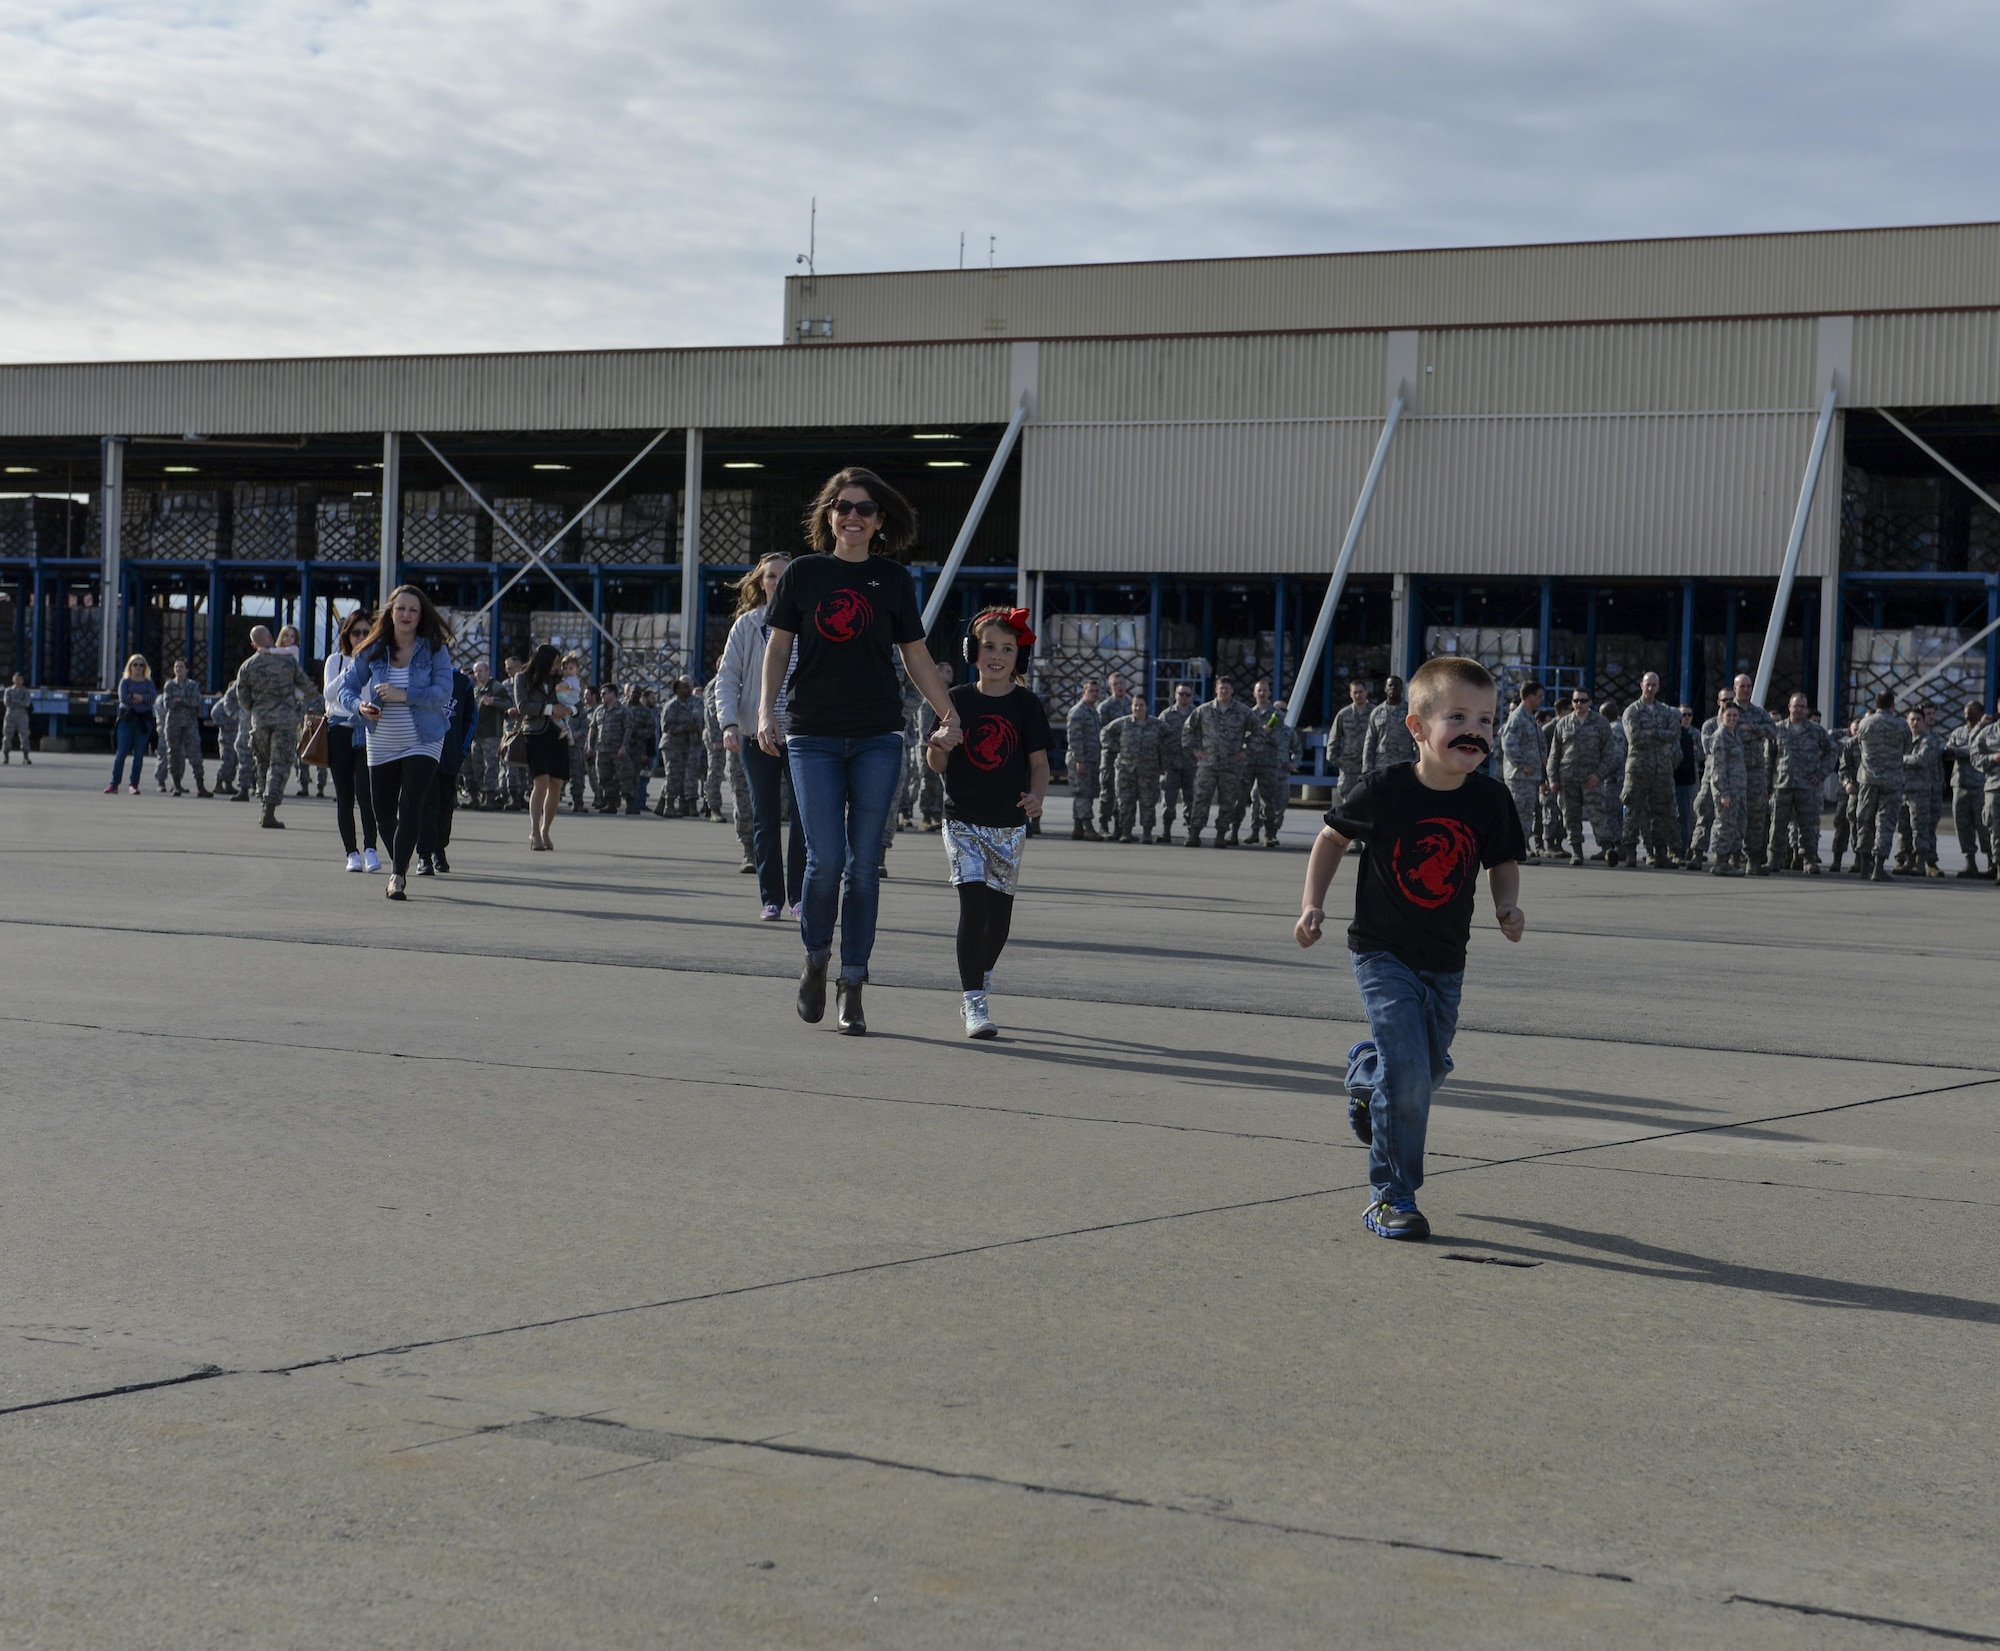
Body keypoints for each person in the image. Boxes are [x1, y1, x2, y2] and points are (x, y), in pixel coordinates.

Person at [1294, 655, 1525, 1242]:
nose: (1476, 730)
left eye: (1487, 719)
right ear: (1418, 728)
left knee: (1429, 1068)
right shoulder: (1384, 790)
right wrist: (1312, 904)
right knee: (1411, 1073)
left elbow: (1502, 861)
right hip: (1382, 952)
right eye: (1458, 717)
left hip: (1445, 960)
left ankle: (1366, 1079)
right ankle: (1392, 1197)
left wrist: (1507, 906)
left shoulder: (1491, 800)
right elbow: (1330, 838)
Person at [758, 466, 958, 1036]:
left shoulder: (893, 579)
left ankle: (854, 982)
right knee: (824, 864)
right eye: (842, 506)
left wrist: (949, 710)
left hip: (877, 735)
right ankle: (816, 959)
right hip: (813, 734)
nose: (852, 516)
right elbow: (778, 649)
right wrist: (764, 710)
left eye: (864, 509)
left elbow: (916, 656)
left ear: (879, 521)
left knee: (864, 868)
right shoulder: (803, 574)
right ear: (828, 515)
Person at [926, 607, 1050, 1039]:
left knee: (998, 922)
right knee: (973, 908)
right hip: (962, 820)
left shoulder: (1027, 704)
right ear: (973, 652)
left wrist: (1037, 797)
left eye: (1007, 648)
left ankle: (983, 972)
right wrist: (939, 743)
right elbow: (937, 761)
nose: (997, 655)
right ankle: (974, 1001)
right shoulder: (955, 700)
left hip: (1009, 825)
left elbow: (1039, 764)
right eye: (989, 647)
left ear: (1019, 657)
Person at [332, 585, 457, 899]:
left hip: (424, 738)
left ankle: (397, 875)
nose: (406, 615)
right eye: (400, 608)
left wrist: (405, 695)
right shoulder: (374, 648)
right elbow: (343, 689)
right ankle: (400, 858)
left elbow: (443, 692)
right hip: (381, 737)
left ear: (421, 615)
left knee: (410, 806)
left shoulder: (434, 648)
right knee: (383, 812)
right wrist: (359, 707)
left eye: (413, 610)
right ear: (390, 612)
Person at [717, 553, 807, 919]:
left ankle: (800, 897)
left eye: (784, 576)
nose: (777, 582)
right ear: (760, 582)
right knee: (765, 816)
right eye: (770, 576)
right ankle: (771, 898)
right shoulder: (747, 626)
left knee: (805, 818)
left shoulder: (810, 624)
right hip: (757, 736)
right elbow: (727, 677)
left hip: (802, 735)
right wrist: (729, 723)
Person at [231, 626, 314, 828]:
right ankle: (270, 808)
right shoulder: (288, 661)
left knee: (262, 762)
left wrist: (255, 708)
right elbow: (306, 686)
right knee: (280, 765)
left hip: (260, 720)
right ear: (270, 637)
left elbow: (241, 695)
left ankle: (262, 803)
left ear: (253, 644)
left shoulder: (248, 665)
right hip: (285, 720)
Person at [323, 610, 382, 872]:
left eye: (366, 632)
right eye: (356, 632)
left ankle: (371, 848)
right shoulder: (336, 660)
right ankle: (351, 852)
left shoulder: (378, 660)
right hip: (339, 729)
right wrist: (352, 665)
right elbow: (329, 693)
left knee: (366, 793)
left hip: (366, 729)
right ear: (347, 634)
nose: (361, 637)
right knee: (344, 795)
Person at [511, 645, 573, 852]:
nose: (558, 667)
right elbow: (523, 705)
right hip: (535, 734)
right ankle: (534, 831)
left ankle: (546, 829)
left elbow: (574, 700)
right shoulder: (523, 678)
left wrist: (570, 709)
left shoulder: (560, 680)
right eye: (555, 663)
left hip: (558, 734)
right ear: (544, 661)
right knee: (541, 782)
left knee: (556, 785)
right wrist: (549, 709)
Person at [417, 663, 477, 876]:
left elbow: (471, 718)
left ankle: (439, 849)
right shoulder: (420, 676)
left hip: (449, 755)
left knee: (445, 805)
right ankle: (423, 854)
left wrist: (461, 750)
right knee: (426, 804)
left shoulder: (462, 683)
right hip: (423, 752)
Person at [1546, 689, 1618, 865]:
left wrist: (1598, 775)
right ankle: (1576, 852)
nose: (1579, 704)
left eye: (1583, 701)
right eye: (1576, 701)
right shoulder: (1563, 724)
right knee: (1570, 816)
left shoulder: (1600, 724)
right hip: (1567, 779)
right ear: (1572, 702)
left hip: (1591, 780)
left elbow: (1611, 754)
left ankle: (1607, 849)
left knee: (1597, 815)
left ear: (1590, 702)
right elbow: (1554, 755)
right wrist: (1553, 779)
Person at [1769, 692, 1836, 873]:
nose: (1798, 709)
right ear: (1789, 707)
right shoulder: (1777, 729)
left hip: (1807, 786)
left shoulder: (1816, 730)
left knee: (1808, 825)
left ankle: (1809, 860)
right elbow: (1768, 757)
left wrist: (1821, 774)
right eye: (1795, 706)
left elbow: (1832, 750)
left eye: (1802, 706)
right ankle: (1775, 858)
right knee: (1778, 824)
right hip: (1782, 785)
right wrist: (1768, 783)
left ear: (1806, 709)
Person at [1182, 676, 1254, 847]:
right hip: (1208, 764)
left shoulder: (1243, 712)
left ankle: (1221, 834)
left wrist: (1246, 751)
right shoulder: (1204, 710)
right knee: (1201, 799)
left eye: (1227, 688)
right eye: (1221, 688)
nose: (1224, 691)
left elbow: (1258, 733)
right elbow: (1188, 730)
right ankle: (1194, 834)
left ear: (1232, 690)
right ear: (1216, 689)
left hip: (1231, 765)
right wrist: (1195, 750)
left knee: (1228, 801)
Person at [1619, 672, 1680, 868]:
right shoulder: (1632, 711)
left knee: (1660, 812)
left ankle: (1659, 853)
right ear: (1641, 685)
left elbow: (1675, 734)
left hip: (1661, 769)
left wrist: (1652, 732)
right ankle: (1629, 853)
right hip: (1638, 768)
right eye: (1648, 685)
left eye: (1654, 685)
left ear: (1659, 687)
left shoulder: (1665, 711)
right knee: (1633, 810)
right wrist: (1661, 735)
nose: (1651, 688)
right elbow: (1635, 737)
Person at [1852, 690, 1912, 882]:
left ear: (1876, 704)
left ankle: (1863, 864)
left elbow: (1860, 747)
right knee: (1885, 824)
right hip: (1892, 780)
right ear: (1892, 705)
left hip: (1868, 779)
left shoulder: (1865, 723)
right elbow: (1907, 749)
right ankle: (1878, 866)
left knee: (1864, 821)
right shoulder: (1901, 725)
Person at [1103, 694, 1166, 842]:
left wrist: (1162, 754)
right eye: (1135, 705)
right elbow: (1105, 733)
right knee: (1125, 801)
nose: (1138, 708)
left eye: (1141, 705)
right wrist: (1117, 747)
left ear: (1147, 707)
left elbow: (1170, 737)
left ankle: (1147, 833)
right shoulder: (1124, 723)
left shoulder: (1156, 724)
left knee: (1148, 802)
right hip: (1126, 769)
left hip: (1148, 770)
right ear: (1132, 707)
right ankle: (1126, 831)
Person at [1243, 680, 1297, 847]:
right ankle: (1253, 831)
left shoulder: (1277, 717)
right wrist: (1261, 732)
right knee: (1253, 800)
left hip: (1271, 765)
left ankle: (1270, 833)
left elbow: (1273, 735)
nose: (1262, 693)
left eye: (1265, 690)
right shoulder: (1248, 714)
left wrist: (1293, 763)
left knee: (1272, 801)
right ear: (1254, 693)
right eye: (1259, 690)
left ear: (1269, 693)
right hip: (1252, 763)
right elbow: (1245, 736)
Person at [1499, 680, 1546, 862]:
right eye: (1539, 696)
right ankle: (1516, 851)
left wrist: (1539, 758)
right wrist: (1521, 764)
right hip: (1520, 777)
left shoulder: (1528, 716)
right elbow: (1508, 743)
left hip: (1529, 776)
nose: (1541, 700)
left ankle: (1519, 848)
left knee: (1526, 814)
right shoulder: (1518, 717)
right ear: (1530, 696)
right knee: (1521, 814)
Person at [1945, 701, 1991, 877]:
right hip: (1960, 784)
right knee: (1962, 826)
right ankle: (1970, 863)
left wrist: (1958, 751)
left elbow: (1977, 752)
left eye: (1971, 709)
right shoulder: (1958, 732)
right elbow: (1948, 752)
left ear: (1980, 712)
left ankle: (1992, 863)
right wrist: (1958, 751)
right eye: (1966, 709)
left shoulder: (1988, 731)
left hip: (1980, 785)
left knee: (1985, 826)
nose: (1967, 712)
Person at [1901, 706, 1946, 878]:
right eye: (1912, 719)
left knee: (1920, 828)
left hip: (1921, 791)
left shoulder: (1929, 740)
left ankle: (1921, 863)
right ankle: (1908, 861)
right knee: (1905, 829)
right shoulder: (1904, 740)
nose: (1915, 723)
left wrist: (1899, 759)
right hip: (1904, 790)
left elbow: (1921, 759)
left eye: (1918, 719)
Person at [157, 658, 210, 797]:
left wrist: (180, 700)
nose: (178, 669)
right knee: (174, 755)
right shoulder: (169, 686)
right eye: (176, 667)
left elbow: (196, 702)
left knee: (195, 754)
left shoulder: (193, 685)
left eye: (181, 667)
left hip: (189, 724)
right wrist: (184, 701)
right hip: (173, 724)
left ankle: (200, 786)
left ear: (187, 669)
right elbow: (168, 703)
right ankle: (176, 785)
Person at [1707, 702, 1749, 876]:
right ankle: (1720, 862)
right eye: (1729, 715)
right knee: (1724, 825)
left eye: (1735, 715)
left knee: (1736, 825)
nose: (1732, 718)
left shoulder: (1734, 735)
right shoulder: (1720, 736)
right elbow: (1718, 767)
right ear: (1722, 716)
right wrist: (1724, 792)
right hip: (1726, 790)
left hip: (1738, 789)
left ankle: (1732, 860)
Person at [107, 655, 156, 794]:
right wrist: (141, 699)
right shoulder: (125, 682)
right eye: (135, 665)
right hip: (126, 720)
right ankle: (114, 784)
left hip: (143, 721)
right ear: (130, 667)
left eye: (141, 665)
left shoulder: (149, 683)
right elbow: (124, 699)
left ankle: (134, 784)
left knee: (139, 754)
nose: (138, 668)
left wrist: (138, 697)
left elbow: (152, 698)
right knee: (121, 753)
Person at [463, 660, 508, 809]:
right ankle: (480, 796)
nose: (478, 674)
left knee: (491, 766)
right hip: (477, 735)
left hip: (492, 735)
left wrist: (494, 701)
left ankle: (490, 797)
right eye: (476, 671)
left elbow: (509, 704)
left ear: (488, 672)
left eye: (481, 671)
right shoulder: (475, 690)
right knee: (477, 767)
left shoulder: (497, 688)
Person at [1065, 680, 1103, 840]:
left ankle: (1078, 828)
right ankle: (1088, 827)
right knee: (1083, 793)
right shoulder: (1078, 712)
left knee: (1083, 794)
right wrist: (1080, 760)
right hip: (1080, 759)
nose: (1094, 694)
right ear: (1084, 692)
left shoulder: (1093, 711)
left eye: (1096, 691)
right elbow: (1074, 739)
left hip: (1092, 758)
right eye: (1091, 691)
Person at [659, 678, 702, 817]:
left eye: (688, 687)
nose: (688, 689)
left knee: (681, 775)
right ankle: (668, 806)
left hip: (684, 746)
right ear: (677, 690)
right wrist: (685, 728)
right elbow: (666, 726)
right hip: (671, 745)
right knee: (673, 775)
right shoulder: (672, 705)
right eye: (684, 687)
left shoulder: (689, 704)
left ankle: (677, 806)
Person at [1361, 675, 1418, 772]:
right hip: (1382, 766)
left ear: (1401, 689)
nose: (1393, 688)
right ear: (1385, 689)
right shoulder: (1377, 712)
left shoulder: (1410, 711)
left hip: (1405, 766)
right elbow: (1370, 742)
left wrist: (1418, 764)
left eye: (1396, 686)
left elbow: (1417, 740)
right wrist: (1366, 768)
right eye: (1390, 685)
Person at [1329, 679, 1372, 804]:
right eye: (1355, 692)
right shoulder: (1343, 714)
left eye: (1361, 691)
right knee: (1348, 802)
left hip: (1368, 766)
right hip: (1348, 767)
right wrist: (1337, 760)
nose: (1358, 695)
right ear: (1350, 694)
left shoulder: (1375, 713)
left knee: (1368, 801)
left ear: (1366, 692)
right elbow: (1333, 739)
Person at [1969, 712, 2000, 886]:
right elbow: (1974, 756)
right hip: (1995, 788)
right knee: (1995, 830)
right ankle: (1998, 867)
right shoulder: (1988, 732)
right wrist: (1992, 759)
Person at [624, 685, 658, 817]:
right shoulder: (622, 708)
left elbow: (651, 730)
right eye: (633, 692)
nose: (635, 695)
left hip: (639, 749)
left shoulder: (645, 712)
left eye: (638, 693)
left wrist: (638, 733)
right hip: (622, 747)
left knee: (637, 777)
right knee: (621, 776)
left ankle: (635, 802)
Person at [1673, 705, 1700, 859]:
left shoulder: (1694, 734)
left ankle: (1688, 847)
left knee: (1689, 815)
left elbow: (1703, 753)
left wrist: (1695, 750)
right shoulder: (1673, 734)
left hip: (1690, 778)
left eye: (1689, 714)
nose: (1687, 717)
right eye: (1684, 715)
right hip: (1673, 778)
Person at [2, 673, 32, 764]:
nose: (18, 681)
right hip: (10, 716)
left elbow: (27, 703)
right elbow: (7, 703)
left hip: (22, 716)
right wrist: (20, 702)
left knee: (24, 736)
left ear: (22, 681)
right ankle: (6, 757)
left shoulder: (26, 691)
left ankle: (26, 757)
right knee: (7, 736)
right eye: (17, 679)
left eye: (20, 679)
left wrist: (14, 701)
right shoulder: (8, 691)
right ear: (13, 680)